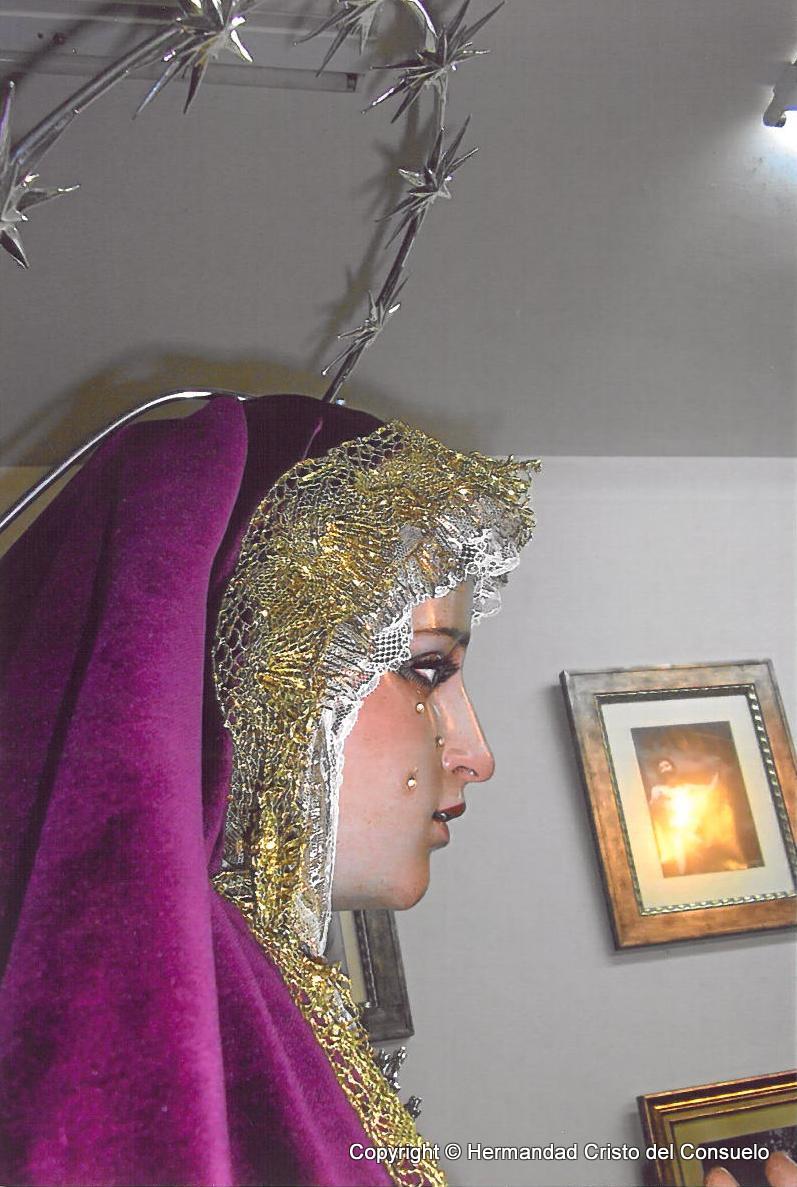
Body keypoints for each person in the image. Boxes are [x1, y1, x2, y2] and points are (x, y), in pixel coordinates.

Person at [0, 392, 536, 1187]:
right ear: (260, 676)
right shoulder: (138, 1006)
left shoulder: (246, 989)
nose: (475, 755)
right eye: (425, 668)